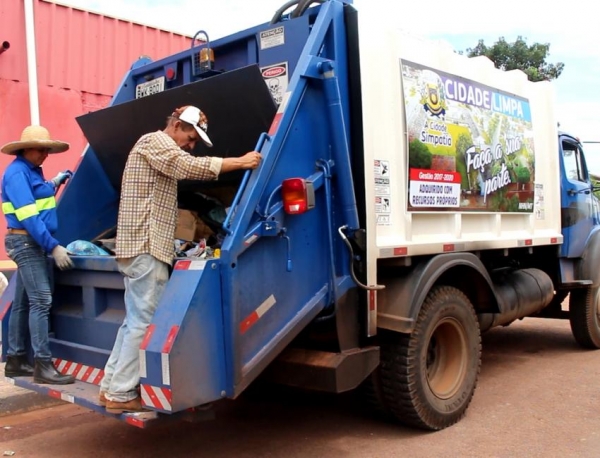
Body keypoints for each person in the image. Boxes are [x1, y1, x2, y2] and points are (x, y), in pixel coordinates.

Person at [100, 105, 262, 413]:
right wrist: (240, 162)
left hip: (138, 248)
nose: (191, 143)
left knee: (132, 324)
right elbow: (188, 167)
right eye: (190, 136)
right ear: (175, 125)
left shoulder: (152, 146)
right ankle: (121, 395)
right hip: (146, 246)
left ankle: (110, 388)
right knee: (142, 323)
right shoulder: (156, 142)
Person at [1, 125, 76, 384]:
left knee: (23, 303)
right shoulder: (17, 174)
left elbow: (38, 199)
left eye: (47, 150)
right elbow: (30, 217)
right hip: (27, 243)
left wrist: (54, 182)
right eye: (41, 149)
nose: (45, 154)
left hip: (27, 242)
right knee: (41, 300)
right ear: (25, 149)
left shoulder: (29, 171)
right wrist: (52, 245)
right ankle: (43, 365)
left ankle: (16, 359)